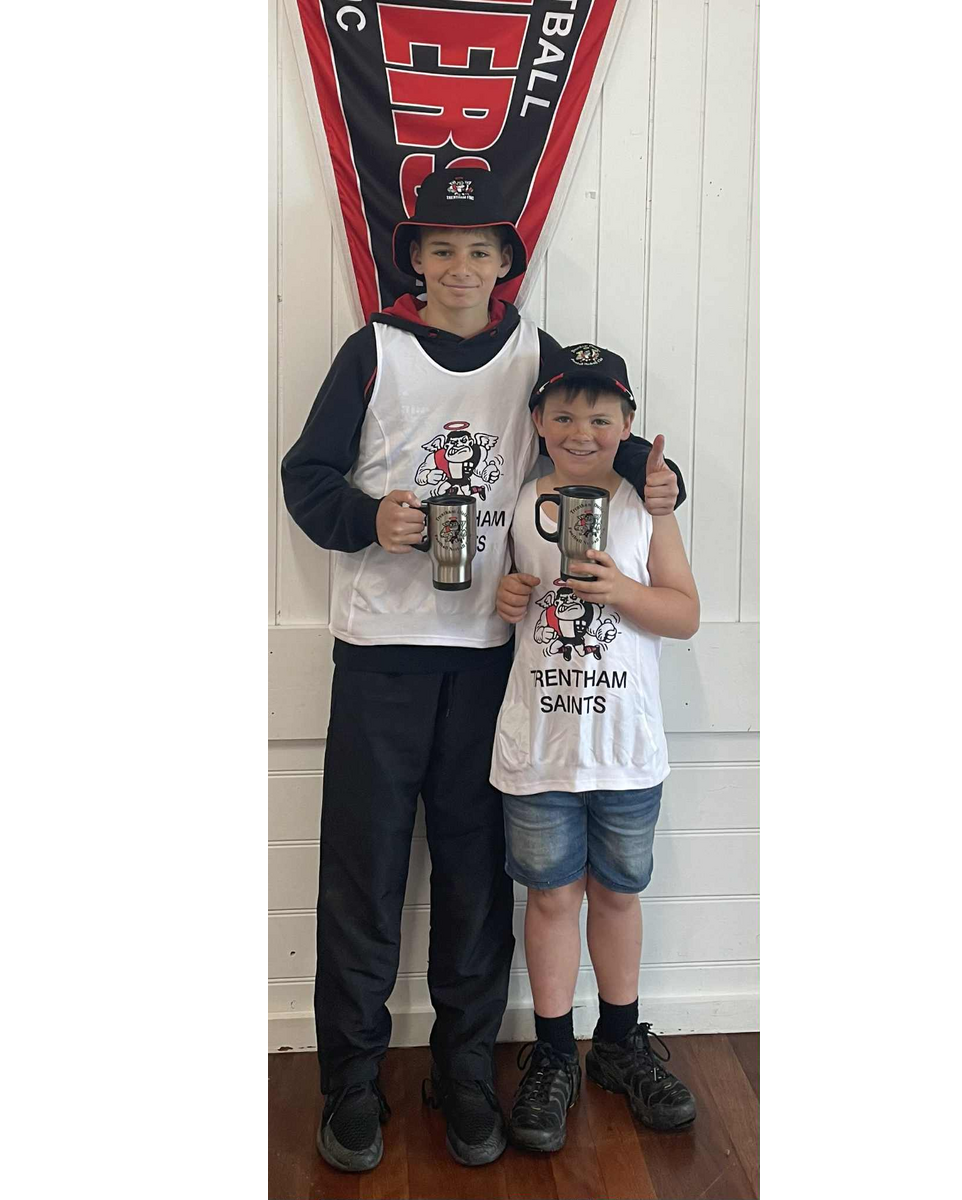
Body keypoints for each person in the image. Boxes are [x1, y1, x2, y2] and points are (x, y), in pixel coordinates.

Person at [280, 168, 686, 1172]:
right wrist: (368, 518)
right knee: (364, 879)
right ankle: (351, 1081)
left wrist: (658, 476)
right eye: (441, 249)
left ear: (505, 262)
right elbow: (305, 477)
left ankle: (463, 1073)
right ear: (414, 260)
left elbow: (597, 426)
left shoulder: (534, 355)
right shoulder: (372, 350)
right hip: (379, 655)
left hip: (489, 661)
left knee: (472, 880)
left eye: (479, 250)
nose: (460, 267)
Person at [490, 343, 701, 1152]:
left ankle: (618, 1043)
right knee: (550, 899)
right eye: (565, 415)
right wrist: (510, 597)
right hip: (541, 746)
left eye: (601, 417)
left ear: (628, 424)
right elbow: (504, 601)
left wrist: (624, 591)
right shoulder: (520, 503)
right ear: (539, 422)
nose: (582, 431)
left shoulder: (648, 505)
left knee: (616, 894)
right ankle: (553, 1055)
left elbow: (684, 613)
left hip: (626, 747)